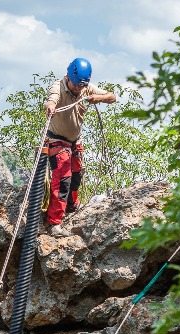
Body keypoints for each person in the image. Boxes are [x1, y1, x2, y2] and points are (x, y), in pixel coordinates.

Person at [43, 57, 117, 235]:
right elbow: (51, 100)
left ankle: (70, 207)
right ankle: (54, 222)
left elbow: (112, 97)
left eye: (81, 86)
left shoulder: (86, 89)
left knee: (76, 175)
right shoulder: (58, 86)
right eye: (76, 85)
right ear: (68, 77)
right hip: (56, 140)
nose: (78, 89)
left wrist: (96, 98)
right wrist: (51, 107)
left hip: (74, 140)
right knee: (62, 178)